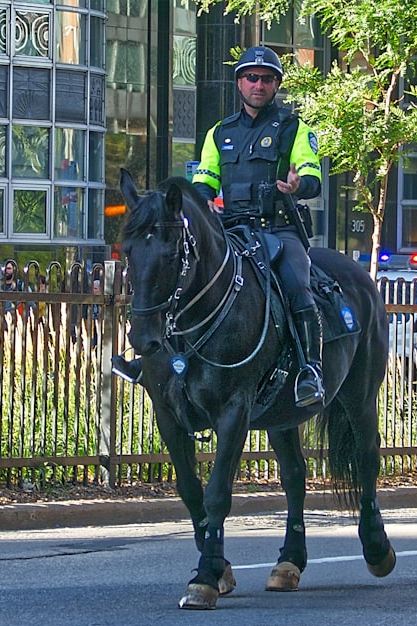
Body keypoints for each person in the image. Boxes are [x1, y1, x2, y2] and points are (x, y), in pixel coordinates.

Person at [112, 46, 325, 407]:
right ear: (239, 83)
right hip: (231, 228)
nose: (259, 84)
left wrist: (297, 185)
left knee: (297, 285)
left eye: (267, 78)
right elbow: (205, 180)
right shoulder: (219, 132)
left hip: (278, 229)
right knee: (184, 278)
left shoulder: (293, 129)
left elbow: (312, 176)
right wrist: (203, 197)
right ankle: (151, 362)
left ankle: (310, 371)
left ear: (276, 85)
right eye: (251, 77)